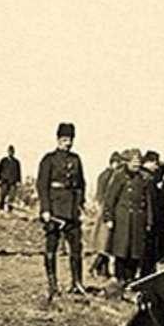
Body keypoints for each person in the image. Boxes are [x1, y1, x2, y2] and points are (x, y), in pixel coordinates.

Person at [37, 122, 86, 301]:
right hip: (55, 209)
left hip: (71, 209)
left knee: (76, 248)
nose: (68, 143)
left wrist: (80, 206)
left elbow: (81, 184)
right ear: (58, 139)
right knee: (51, 247)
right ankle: (53, 284)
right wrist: (46, 210)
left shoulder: (76, 159)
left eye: (70, 140)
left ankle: (77, 283)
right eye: (65, 139)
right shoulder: (49, 159)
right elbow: (42, 186)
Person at [105, 149, 154, 282]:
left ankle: (130, 278)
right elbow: (110, 199)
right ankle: (120, 278)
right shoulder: (119, 177)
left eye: (138, 163)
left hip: (138, 220)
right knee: (121, 250)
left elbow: (148, 202)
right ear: (127, 162)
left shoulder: (144, 178)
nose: (136, 166)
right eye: (134, 163)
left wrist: (149, 221)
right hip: (123, 220)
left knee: (135, 252)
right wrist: (109, 218)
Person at [87, 152, 123, 278]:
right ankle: (94, 267)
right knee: (106, 243)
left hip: (104, 210)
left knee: (106, 243)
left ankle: (103, 270)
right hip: (106, 211)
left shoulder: (105, 175)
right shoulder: (110, 176)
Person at [140, 151, 164, 277]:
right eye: (155, 163)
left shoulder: (141, 177)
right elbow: (151, 203)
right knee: (148, 253)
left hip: (143, 221)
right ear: (150, 162)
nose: (157, 167)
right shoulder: (148, 179)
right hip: (148, 222)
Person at [0, 145, 22, 213]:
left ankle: (10, 209)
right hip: (4, 181)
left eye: (12, 151)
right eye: (10, 151)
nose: (11, 152)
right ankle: (1, 209)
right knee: (2, 195)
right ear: (8, 151)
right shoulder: (3, 160)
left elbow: (19, 172)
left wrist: (18, 181)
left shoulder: (16, 162)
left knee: (11, 196)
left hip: (13, 181)